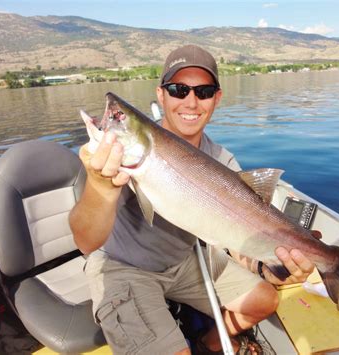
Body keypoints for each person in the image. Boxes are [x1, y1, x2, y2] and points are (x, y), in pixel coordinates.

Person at [69, 44, 315, 355]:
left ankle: (208, 343)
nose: (191, 101)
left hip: (185, 262)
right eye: (179, 89)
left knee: (264, 299)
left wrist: (274, 266)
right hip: (125, 267)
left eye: (204, 91)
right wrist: (101, 186)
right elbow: (86, 242)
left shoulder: (223, 161)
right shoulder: (113, 160)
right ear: (161, 95)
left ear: (217, 98)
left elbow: (239, 241)